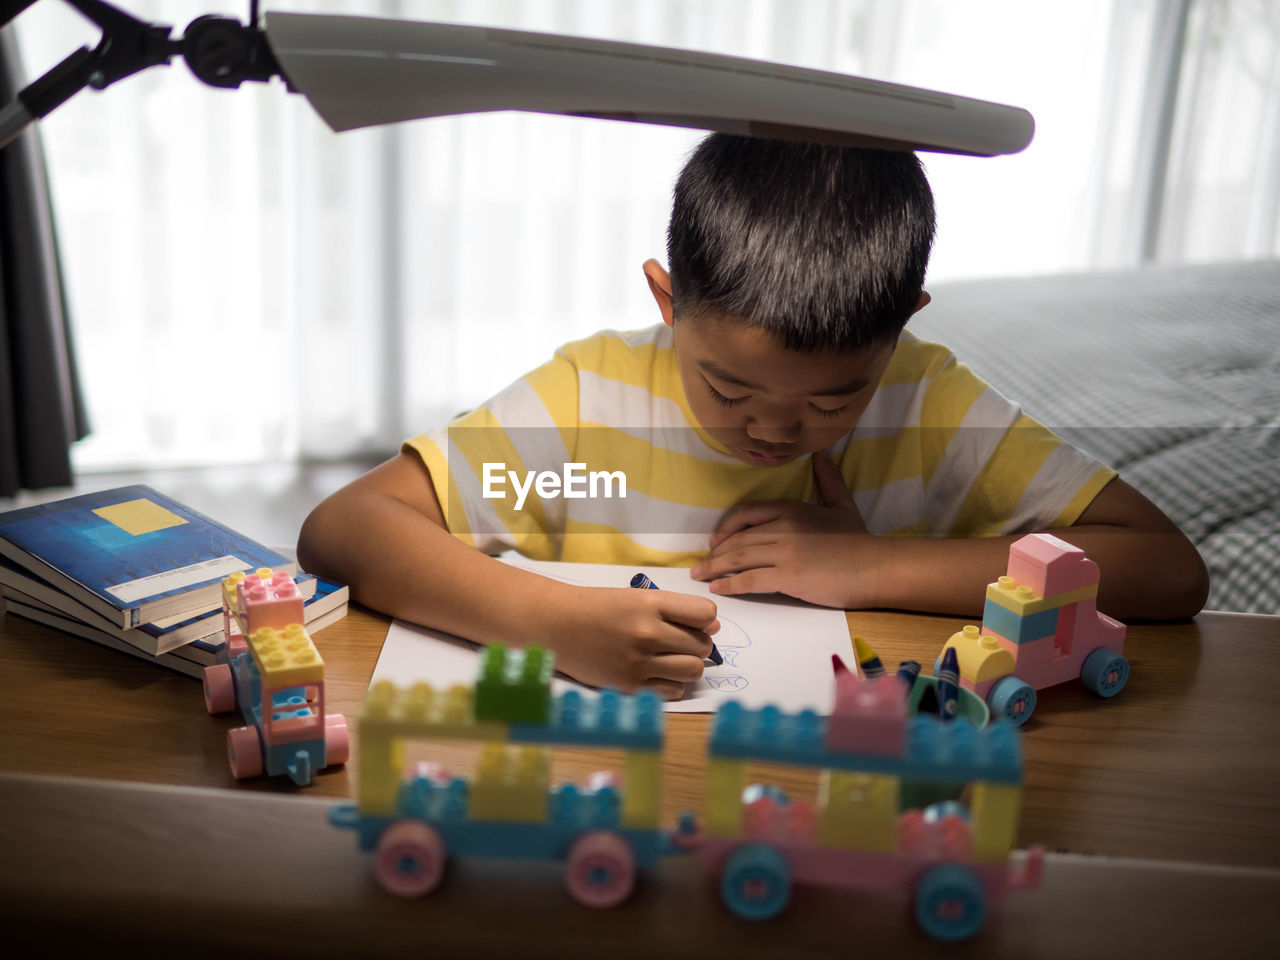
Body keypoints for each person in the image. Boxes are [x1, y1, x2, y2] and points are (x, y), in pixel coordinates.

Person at [298, 134, 1208, 698]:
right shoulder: (589, 409)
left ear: (902, 330)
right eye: (729, 388)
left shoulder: (927, 403)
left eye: (832, 398)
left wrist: (873, 566)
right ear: (666, 300)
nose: (772, 432)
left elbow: (1166, 570)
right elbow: (347, 528)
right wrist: (552, 622)